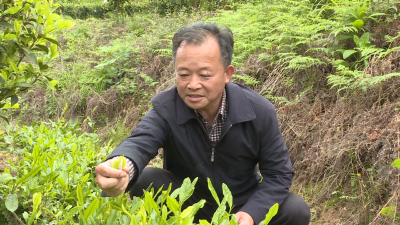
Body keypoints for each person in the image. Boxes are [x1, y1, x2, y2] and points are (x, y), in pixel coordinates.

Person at [95, 22, 310, 225]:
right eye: (184, 74)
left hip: (242, 203)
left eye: (205, 75)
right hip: (187, 200)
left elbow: (279, 174)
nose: (193, 84)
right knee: (145, 179)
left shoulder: (258, 111)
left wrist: (252, 212)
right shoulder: (166, 107)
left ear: (227, 74)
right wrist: (121, 168)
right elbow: (140, 141)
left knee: (295, 209)